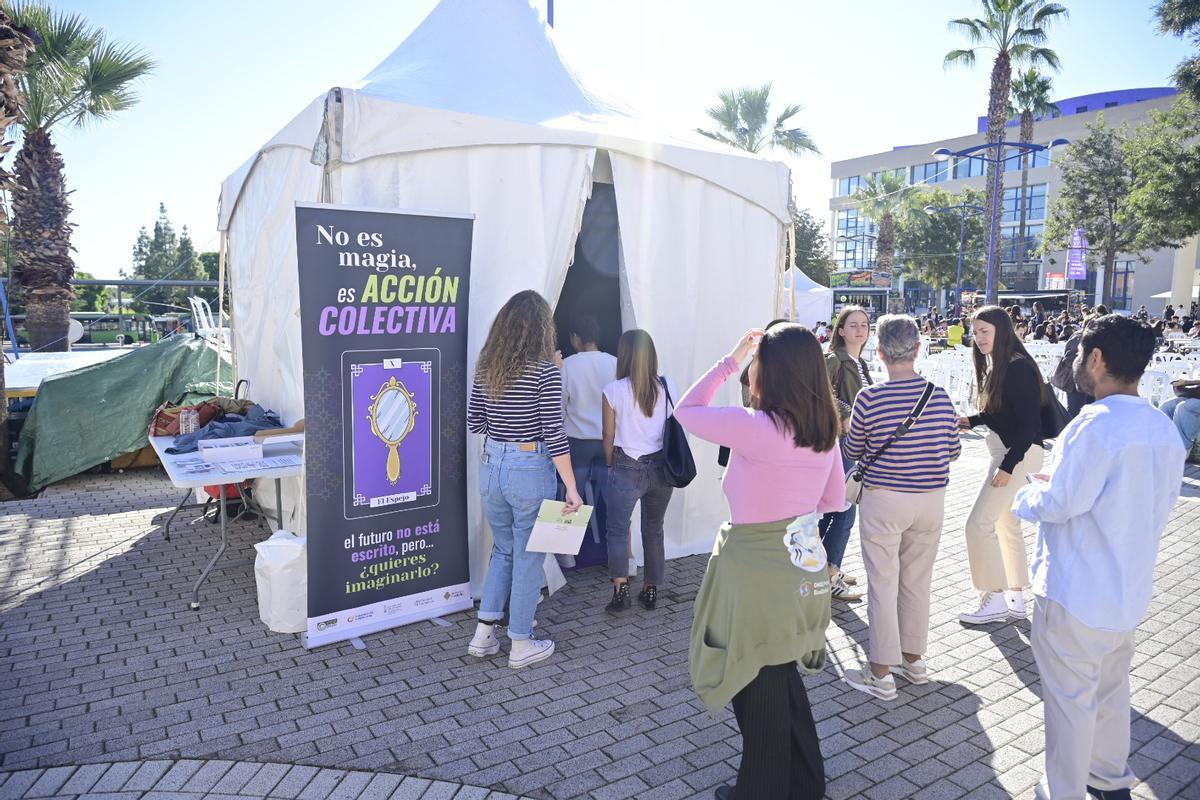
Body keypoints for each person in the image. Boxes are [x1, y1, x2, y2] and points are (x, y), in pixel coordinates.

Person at [1013, 315, 1184, 800]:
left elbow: (1060, 503)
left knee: (1070, 702)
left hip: (1075, 588)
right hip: (1127, 588)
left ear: (1097, 358)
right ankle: (1108, 777)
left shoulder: (1094, 423)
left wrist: (1027, 495)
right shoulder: (1162, 425)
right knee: (1111, 692)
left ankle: (1064, 790)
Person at [680, 325, 842, 800]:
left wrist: (729, 360)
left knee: (754, 680)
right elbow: (833, 500)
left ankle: (761, 791)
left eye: (756, 363)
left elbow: (686, 410)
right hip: (801, 566)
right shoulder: (823, 431)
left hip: (755, 571)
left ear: (770, 371)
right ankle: (805, 784)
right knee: (780, 676)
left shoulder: (756, 427)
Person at [841, 316, 961, 700]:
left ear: (879, 353)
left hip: (885, 499)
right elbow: (954, 450)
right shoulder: (939, 396)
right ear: (918, 350)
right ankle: (914, 660)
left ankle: (881, 672)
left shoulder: (869, 398)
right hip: (931, 499)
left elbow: (852, 449)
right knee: (917, 581)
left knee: (883, 581)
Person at [466, 291, 582, 669]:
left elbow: (475, 423)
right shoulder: (546, 372)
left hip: (492, 465)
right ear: (541, 329)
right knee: (529, 554)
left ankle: (484, 635)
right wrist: (572, 487)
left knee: (503, 549)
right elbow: (554, 433)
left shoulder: (486, 367)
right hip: (529, 468)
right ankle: (520, 642)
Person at [957, 305, 1047, 625]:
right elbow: (1004, 413)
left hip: (1017, 455)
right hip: (1015, 453)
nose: (978, 338)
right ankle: (1015, 599)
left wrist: (1007, 466)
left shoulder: (1016, 366)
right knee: (1006, 525)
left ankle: (994, 596)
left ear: (1002, 331)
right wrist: (972, 421)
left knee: (978, 524)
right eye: (975, 332)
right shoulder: (1005, 364)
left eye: (985, 331)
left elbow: (1030, 425)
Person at [601, 330, 676, 613]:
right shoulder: (667, 385)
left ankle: (620, 591)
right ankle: (651, 589)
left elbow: (607, 435)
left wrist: (611, 463)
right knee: (654, 529)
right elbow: (674, 425)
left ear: (624, 355)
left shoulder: (613, 390)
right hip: (661, 468)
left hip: (626, 467)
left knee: (618, 530)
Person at [821, 305, 872, 601]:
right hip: (839, 440)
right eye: (853, 325)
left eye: (864, 324)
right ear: (840, 330)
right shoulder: (834, 359)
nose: (860, 329)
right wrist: (846, 414)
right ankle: (829, 572)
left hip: (853, 442)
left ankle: (824, 566)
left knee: (836, 506)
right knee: (845, 506)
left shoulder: (859, 362)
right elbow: (820, 392)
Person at [557, 315, 617, 568]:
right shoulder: (614, 363)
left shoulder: (567, 365)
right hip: (608, 442)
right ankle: (617, 552)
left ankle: (567, 554)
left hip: (577, 443)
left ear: (575, 338)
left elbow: (559, 407)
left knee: (571, 495)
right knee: (612, 499)